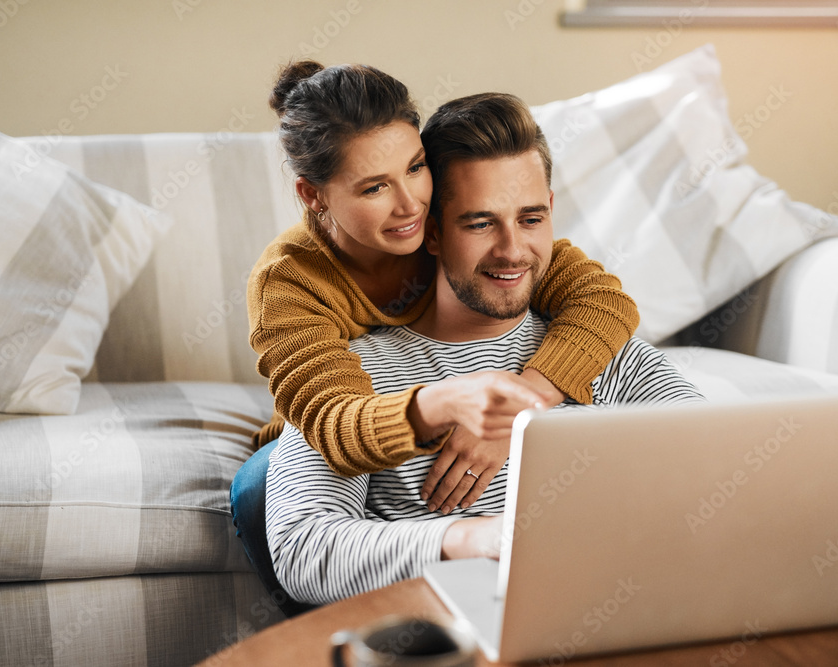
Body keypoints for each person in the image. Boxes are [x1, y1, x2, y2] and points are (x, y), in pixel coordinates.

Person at [231, 61, 643, 613]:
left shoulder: (473, 235)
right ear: (314, 196)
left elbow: (602, 301)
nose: (410, 205)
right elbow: (333, 422)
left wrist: (522, 413)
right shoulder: (290, 281)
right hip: (336, 415)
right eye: (375, 186)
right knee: (260, 487)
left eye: (416, 168)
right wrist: (447, 405)